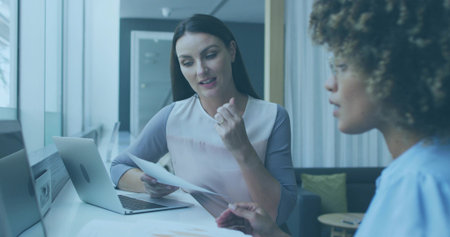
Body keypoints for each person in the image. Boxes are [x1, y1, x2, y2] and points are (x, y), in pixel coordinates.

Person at [216, 0, 450, 236]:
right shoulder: (425, 167)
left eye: (341, 66)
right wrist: (272, 232)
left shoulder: (418, 183)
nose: (329, 83)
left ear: (389, 70)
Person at [110, 14, 297, 225]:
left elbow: (281, 212)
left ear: (232, 51)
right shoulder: (172, 117)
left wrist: (243, 149)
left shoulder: (273, 117)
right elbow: (117, 167)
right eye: (187, 62)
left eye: (210, 55)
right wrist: (146, 185)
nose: (200, 70)